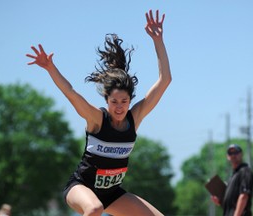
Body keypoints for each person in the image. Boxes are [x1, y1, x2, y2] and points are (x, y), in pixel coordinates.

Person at [26, 9, 171, 216]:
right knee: (94, 208)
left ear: (130, 101)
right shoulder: (97, 118)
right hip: (81, 187)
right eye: (114, 102)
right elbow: (71, 93)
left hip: (112, 194)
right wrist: (51, 68)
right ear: (106, 100)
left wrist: (158, 40)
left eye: (124, 101)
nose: (119, 107)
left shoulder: (134, 118)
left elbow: (165, 80)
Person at [211, 144, 253, 216]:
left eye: (236, 152)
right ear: (227, 156)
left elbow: (244, 196)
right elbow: (232, 204)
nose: (233, 155)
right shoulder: (233, 176)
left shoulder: (245, 171)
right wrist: (220, 201)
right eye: (230, 153)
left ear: (241, 154)